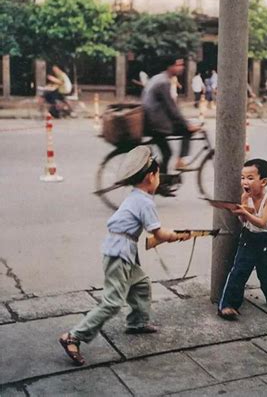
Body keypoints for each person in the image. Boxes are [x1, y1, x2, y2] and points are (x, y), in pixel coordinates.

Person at [59, 146, 191, 366]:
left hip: (121, 249)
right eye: (159, 175)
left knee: (140, 284)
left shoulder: (136, 196)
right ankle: (73, 336)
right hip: (119, 253)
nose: (159, 179)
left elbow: (152, 235)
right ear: (151, 176)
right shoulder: (145, 202)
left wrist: (173, 235)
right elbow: (158, 233)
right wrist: (177, 236)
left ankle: (137, 322)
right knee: (112, 302)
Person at [218, 158, 267, 320]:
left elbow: (262, 223)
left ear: (263, 181)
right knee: (239, 270)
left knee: (266, 272)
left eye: (250, 178)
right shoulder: (245, 197)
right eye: (243, 178)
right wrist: (240, 214)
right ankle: (228, 305)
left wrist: (245, 213)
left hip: (266, 240)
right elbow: (245, 222)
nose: (245, 182)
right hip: (248, 238)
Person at [142, 57, 201, 180]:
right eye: (178, 65)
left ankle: (161, 181)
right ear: (170, 67)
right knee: (187, 131)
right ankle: (178, 163)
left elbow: (171, 108)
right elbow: (172, 109)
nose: (181, 67)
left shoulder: (158, 78)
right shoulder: (164, 82)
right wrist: (186, 124)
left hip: (152, 120)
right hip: (156, 123)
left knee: (167, 153)